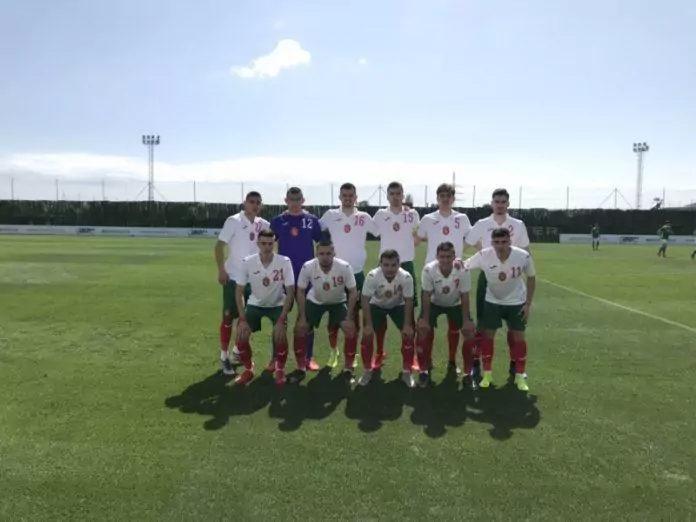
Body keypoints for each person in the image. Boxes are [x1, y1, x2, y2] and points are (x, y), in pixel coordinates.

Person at [465, 188, 530, 378]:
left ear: (508, 204)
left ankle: (515, 364)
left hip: (513, 280)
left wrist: (523, 275)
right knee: (483, 324)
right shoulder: (482, 224)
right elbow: (466, 244)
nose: (500, 205)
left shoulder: (518, 225)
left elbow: (526, 251)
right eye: (497, 202)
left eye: (503, 202)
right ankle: (477, 363)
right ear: (491, 203)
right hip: (489, 277)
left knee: (514, 327)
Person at [464, 227, 536, 391]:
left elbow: (532, 277)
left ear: (510, 241)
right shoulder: (484, 255)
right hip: (493, 301)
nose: (500, 246)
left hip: (517, 302)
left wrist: (528, 304)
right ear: (491, 243)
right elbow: (464, 265)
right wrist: (455, 263)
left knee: (519, 337)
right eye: (496, 242)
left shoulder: (523, 256)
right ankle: (487, 374)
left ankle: (520, 376)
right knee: (488, 335)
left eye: (504, 242)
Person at [320, 182, 377, 369]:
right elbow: (313, 229)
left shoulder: (364, 217)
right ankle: (333, 351)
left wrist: (402, 209)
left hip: (357, 273)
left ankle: (353, 354)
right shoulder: (330, 215)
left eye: (351, 195)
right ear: (340, 197)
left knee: (355, 316)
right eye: (344, 195)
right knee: (334, 315)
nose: (347, 198)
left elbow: (381, 230)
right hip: (334, 274)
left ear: (356, 197)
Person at [416, 183, 472, 372]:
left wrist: (461, 255)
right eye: (442, 196)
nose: (445, 199)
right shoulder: (427, 219)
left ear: (453, 198)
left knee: (455, 325)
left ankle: (452, 360)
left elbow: (472, 239)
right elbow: (416, 239)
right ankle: (427, 360)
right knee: (426, 324)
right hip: (432, 275)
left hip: (455, 273)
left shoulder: (462, 218)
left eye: (448, 196)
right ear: (437, 198)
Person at [214, 191, 270, 375]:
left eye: (258, 202)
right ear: (245, 203)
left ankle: (237, 350)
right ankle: (224, 356)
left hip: (253, 280)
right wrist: (221, 270)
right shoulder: (234, 221)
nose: (255, 205)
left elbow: (268, 249)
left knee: (248, 318)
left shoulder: (264, 224)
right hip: (233, 278)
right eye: (251, 201)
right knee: (228, 317)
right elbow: (219, 246)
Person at [234, 230, 297, 387]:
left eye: (270, 244)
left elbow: (290, 292)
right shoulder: (247, 262)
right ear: (258, 244)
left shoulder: (284, 261)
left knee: (280, 336)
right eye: (263, 243)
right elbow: (239, 292)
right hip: (255, 304)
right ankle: (248, 369)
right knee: (241, 337)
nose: (267, 247)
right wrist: (242, 319)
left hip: (277, 305)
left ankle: (280, 369)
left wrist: (282, 320)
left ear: (274, 243)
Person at [271, 187, 323, 371]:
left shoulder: (312, 221)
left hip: (307, 276)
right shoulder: (278, 221)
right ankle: (275, 358)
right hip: (283, 276)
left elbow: (322, 243)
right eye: (291, 199)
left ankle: (308, 357)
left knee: (306, 317)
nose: (294, 203)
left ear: (303, 200)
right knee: (280, 318)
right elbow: (266, 244)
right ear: (286, 201)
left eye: (297, 199)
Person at [370, 181, 421, 369]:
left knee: (408, 309)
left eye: (398, 193)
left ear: (403, 195)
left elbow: (419, 235)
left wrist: (410, 245)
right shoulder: (380, 215)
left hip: (406, 264)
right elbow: (371, 230)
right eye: (392, 193)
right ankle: (379, 352)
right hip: (384, 266)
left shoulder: (412, 214)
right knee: (378, 310)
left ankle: (411, 354)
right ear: (387, 196)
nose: (395, 197)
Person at [417, 241, 478, 390]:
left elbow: (465, 296)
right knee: (422, 330)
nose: (445, 260)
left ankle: (467, 374)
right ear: (437, 256)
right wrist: (424, 319)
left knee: (470, 333)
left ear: (454, 257)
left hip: (456, 303)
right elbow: (426, 295)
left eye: (448, 257)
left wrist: (466, 321)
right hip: (434, 303)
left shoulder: (463, 270)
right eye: (442, 256)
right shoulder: (428, 269)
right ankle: (423, 371)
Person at [295, 239, 359, 380]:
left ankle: (348, 368)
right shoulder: (308, 266)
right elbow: (300, 290)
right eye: (321, 254)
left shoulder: (344, 267)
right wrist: (303, 317)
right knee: (300, 329)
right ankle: (301, 367)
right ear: (316, 254)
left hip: (338, 301)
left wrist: (349, 318)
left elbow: (353, 292)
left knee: (350, 329)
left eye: (328, 253)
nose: (325, 257)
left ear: (334, 253)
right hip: (315, 301)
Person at [360, 249, 416, 388]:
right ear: (380, 264)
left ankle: (406, 372)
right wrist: (368, 324)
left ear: (399, 264)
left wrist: (407, 325)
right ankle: (367, 370)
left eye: (393, 265)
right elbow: (365, 299)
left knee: (408, 334)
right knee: (367, 335)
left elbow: (409, 300)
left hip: (398, 305)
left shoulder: (406, 277)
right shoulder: (372, 276)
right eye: (386, 265)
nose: (390, 269)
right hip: (377, 305)